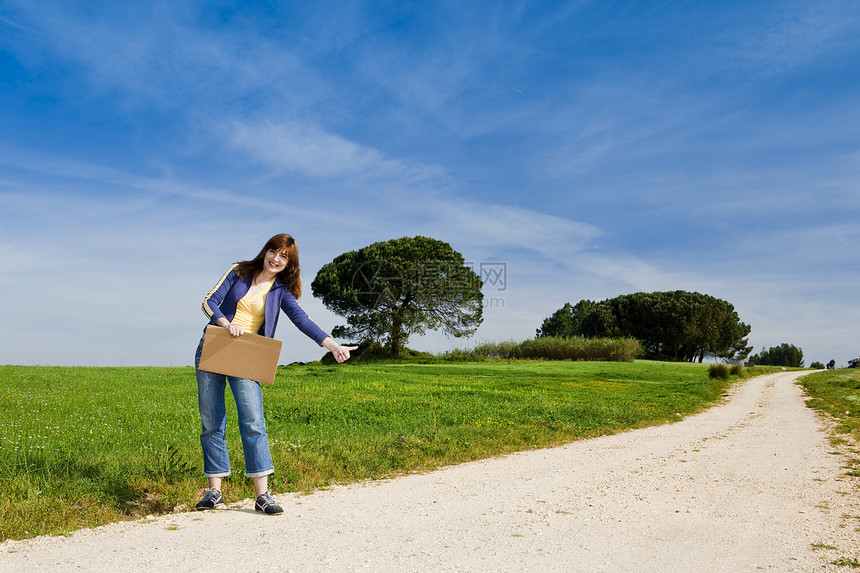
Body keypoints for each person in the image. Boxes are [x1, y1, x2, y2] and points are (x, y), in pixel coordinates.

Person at [193, 233, 357, 515]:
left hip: (247, 353)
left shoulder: (281, 290)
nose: (276, 259)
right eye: (274, 252)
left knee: (253, 421)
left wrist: (330, 344)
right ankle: (215, 491)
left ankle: (262, 495)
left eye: (284, 257)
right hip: (215, 346)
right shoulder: (238, 271)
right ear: (265, 251)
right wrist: (224, 323)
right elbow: (209, 301)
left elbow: (302, 319)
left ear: (289, 264)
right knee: (212, 421)